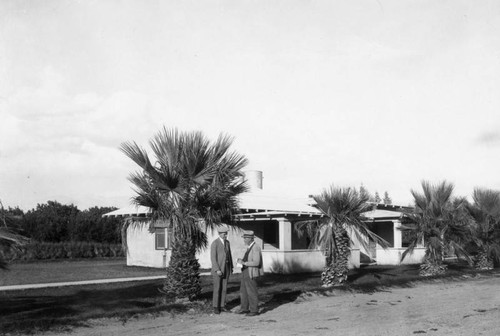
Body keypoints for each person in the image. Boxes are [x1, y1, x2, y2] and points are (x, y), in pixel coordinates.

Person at [237, 230, 264, 316]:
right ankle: (244, 308)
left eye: (245, 238)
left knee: (251, 291)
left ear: (250, 238)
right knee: (243, 291)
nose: (244, 240)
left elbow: (256, 262)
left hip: (251, 272)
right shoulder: (249, 247)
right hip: (245, 271)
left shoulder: (255, 247)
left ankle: (254, 310)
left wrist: (244, 263)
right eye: (244, 238)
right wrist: (241, 261)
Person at [210, 225, 233, 315]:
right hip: (218, 270)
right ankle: (216, 307)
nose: (225, 235)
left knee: (224, 288)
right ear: (219, 234)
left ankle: (222, 305)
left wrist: (231, 267)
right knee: (217, 288)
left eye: (226, 233)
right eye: (224, 233)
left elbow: (229, 255)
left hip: (226, 268)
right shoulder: (215, 243)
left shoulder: (227, 243)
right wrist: (217, 269)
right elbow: (213, 258)